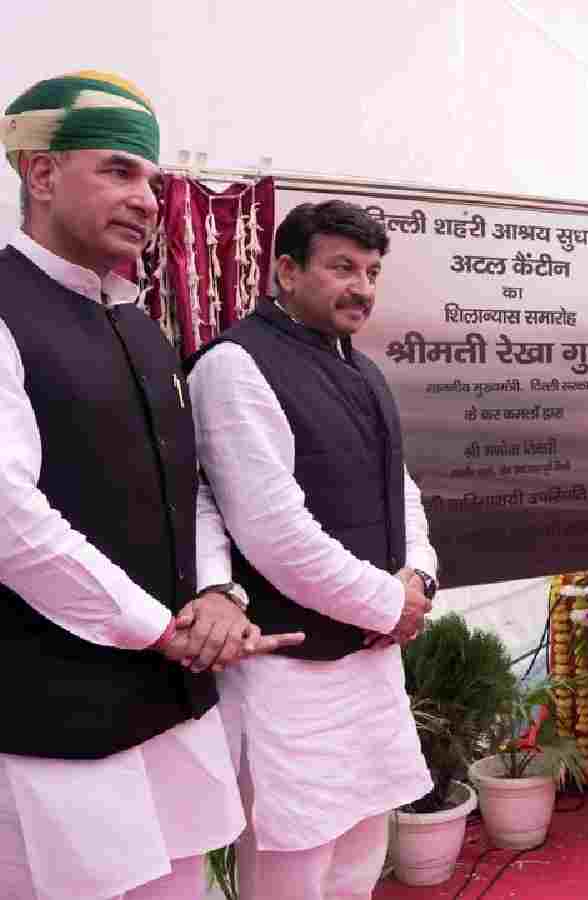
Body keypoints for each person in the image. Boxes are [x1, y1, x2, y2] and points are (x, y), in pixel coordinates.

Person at [0, 70, 302, 899]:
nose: (146, 198)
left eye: (153, 180)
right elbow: (9, 519)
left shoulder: (139, 322)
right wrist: (154, 625)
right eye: (119, 171)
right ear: (42, 173)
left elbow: (189, 484)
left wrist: (216, 594)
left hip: (171, 704)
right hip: (54, 722)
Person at [186, 199, 438, 899]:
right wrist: (389, 601)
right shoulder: (235, 365)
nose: (361, 287)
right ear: (288, 272)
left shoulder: (362, 369)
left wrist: (418, 577)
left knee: (361, 851)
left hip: (370, 657)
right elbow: (273, 533)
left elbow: (403, 488)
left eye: (372, 271)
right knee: (293, 863)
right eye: (342, 268)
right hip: (290, 671)